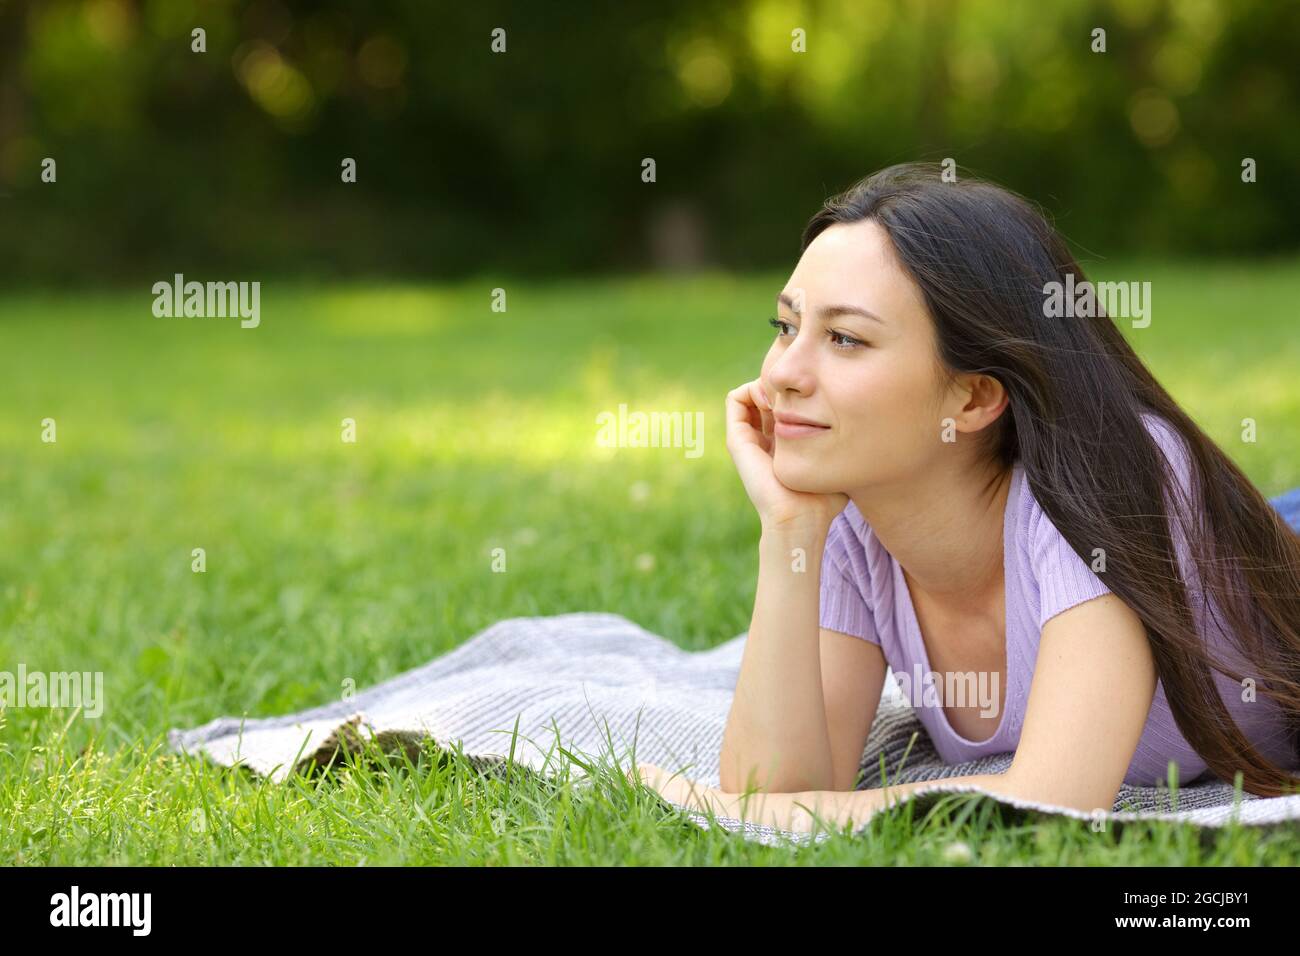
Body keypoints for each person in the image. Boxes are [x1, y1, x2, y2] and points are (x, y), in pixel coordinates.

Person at [631, 163, 1300, 833]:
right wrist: (787, 532)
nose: (780, 375)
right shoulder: (849, 511)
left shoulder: (1111, 479)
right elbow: (775, 790)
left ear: (974, 396)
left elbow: (1047, 805)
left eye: (845, 338)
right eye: (784, 327)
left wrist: (729, 806)